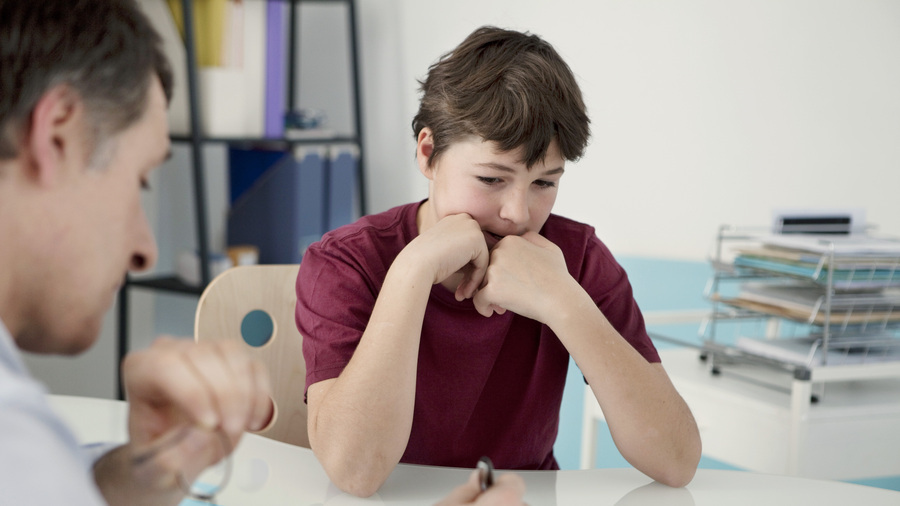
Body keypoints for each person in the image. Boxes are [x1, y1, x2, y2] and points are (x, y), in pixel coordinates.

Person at [0, 1, 522, 505]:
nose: (145, 250)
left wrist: (144, 472)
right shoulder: (18, 432)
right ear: (57, 134)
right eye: (140, 182)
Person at [296, 25, 703, 498]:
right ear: (428, 153)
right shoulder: (346, 262)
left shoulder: (577, 259)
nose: (518, 213)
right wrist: (413, 271)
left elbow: (676, 461)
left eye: (545, 183)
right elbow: (355, 472)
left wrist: (561, 299)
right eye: (492, 179)